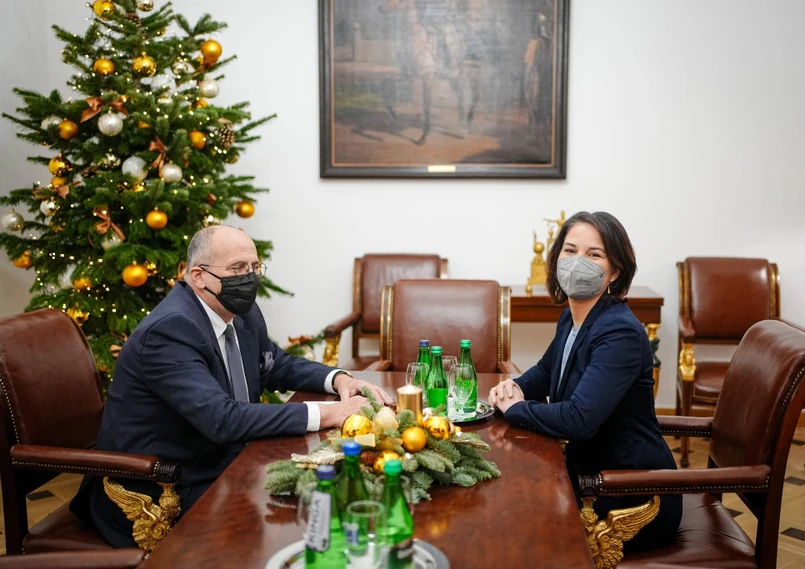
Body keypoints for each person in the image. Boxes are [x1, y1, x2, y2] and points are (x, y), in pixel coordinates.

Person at [71, 225, 393, 548]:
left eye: (254, 267)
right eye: (237, 268)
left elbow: (276, 364)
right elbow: (222, 419)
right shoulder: (170, 330)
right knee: (292, 523)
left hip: (224, 460)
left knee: (332, 489)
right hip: (165, 484)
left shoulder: (240, 311)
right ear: (198, 276)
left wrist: (340, 379)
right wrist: (331, 413)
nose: (249, 278)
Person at [488, 211, 681, 551]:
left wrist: (516, 409)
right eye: (570, 250)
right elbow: (546, 371)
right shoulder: (572, 316)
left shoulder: (619, 331)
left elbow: (579, 419)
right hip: (585, 471)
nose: (578, 262)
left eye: (594, 255)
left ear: (614, 271)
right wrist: (515, 387)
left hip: (629, 491)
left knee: (514, 526)